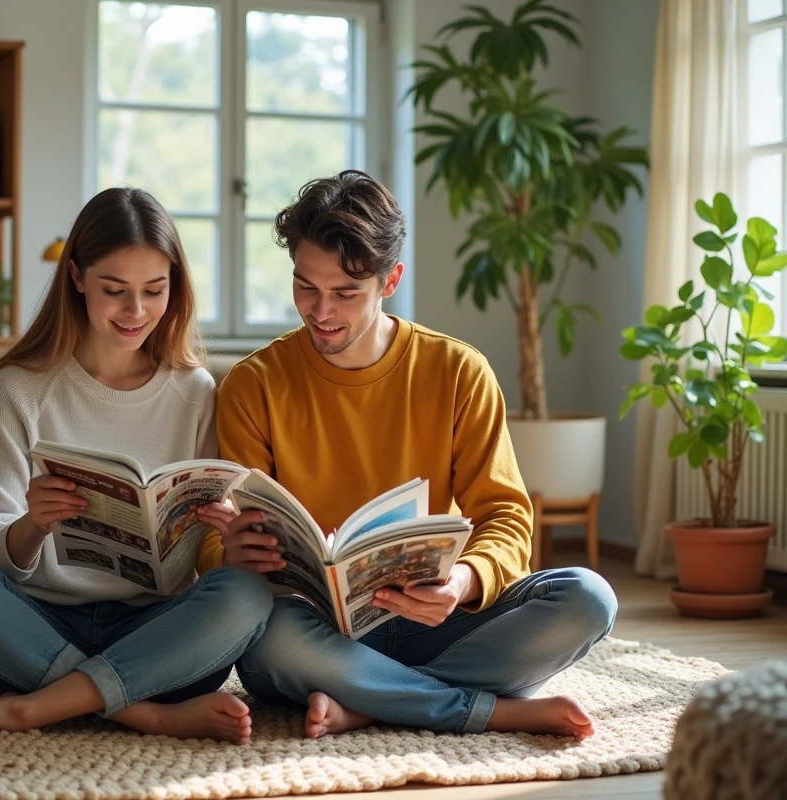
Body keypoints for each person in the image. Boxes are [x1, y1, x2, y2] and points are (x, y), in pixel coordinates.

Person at [196, 170, 618, 740]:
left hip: (436, 616)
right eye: (305, 286)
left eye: (346, 293)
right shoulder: (255, 384)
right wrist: (234, 552)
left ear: (390, 278)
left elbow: (509, 519)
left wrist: (463, 582)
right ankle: (482, 709)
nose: (321, 311)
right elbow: (215, 543)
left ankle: (370, 699)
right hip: (317, 630)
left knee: (588, 598)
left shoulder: (457, 371)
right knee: (268, 642)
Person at [0, 187, 273, 744]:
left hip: (150, 636)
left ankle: (26, 710)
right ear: (76, 277)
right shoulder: (20, 389)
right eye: (115, 290)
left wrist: (213, 529)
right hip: (35, 629)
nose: (136, 312)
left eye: (155, 290)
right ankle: (144, 716)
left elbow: (204, 568)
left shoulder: (195, 391)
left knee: (246, 595)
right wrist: (32, 526)